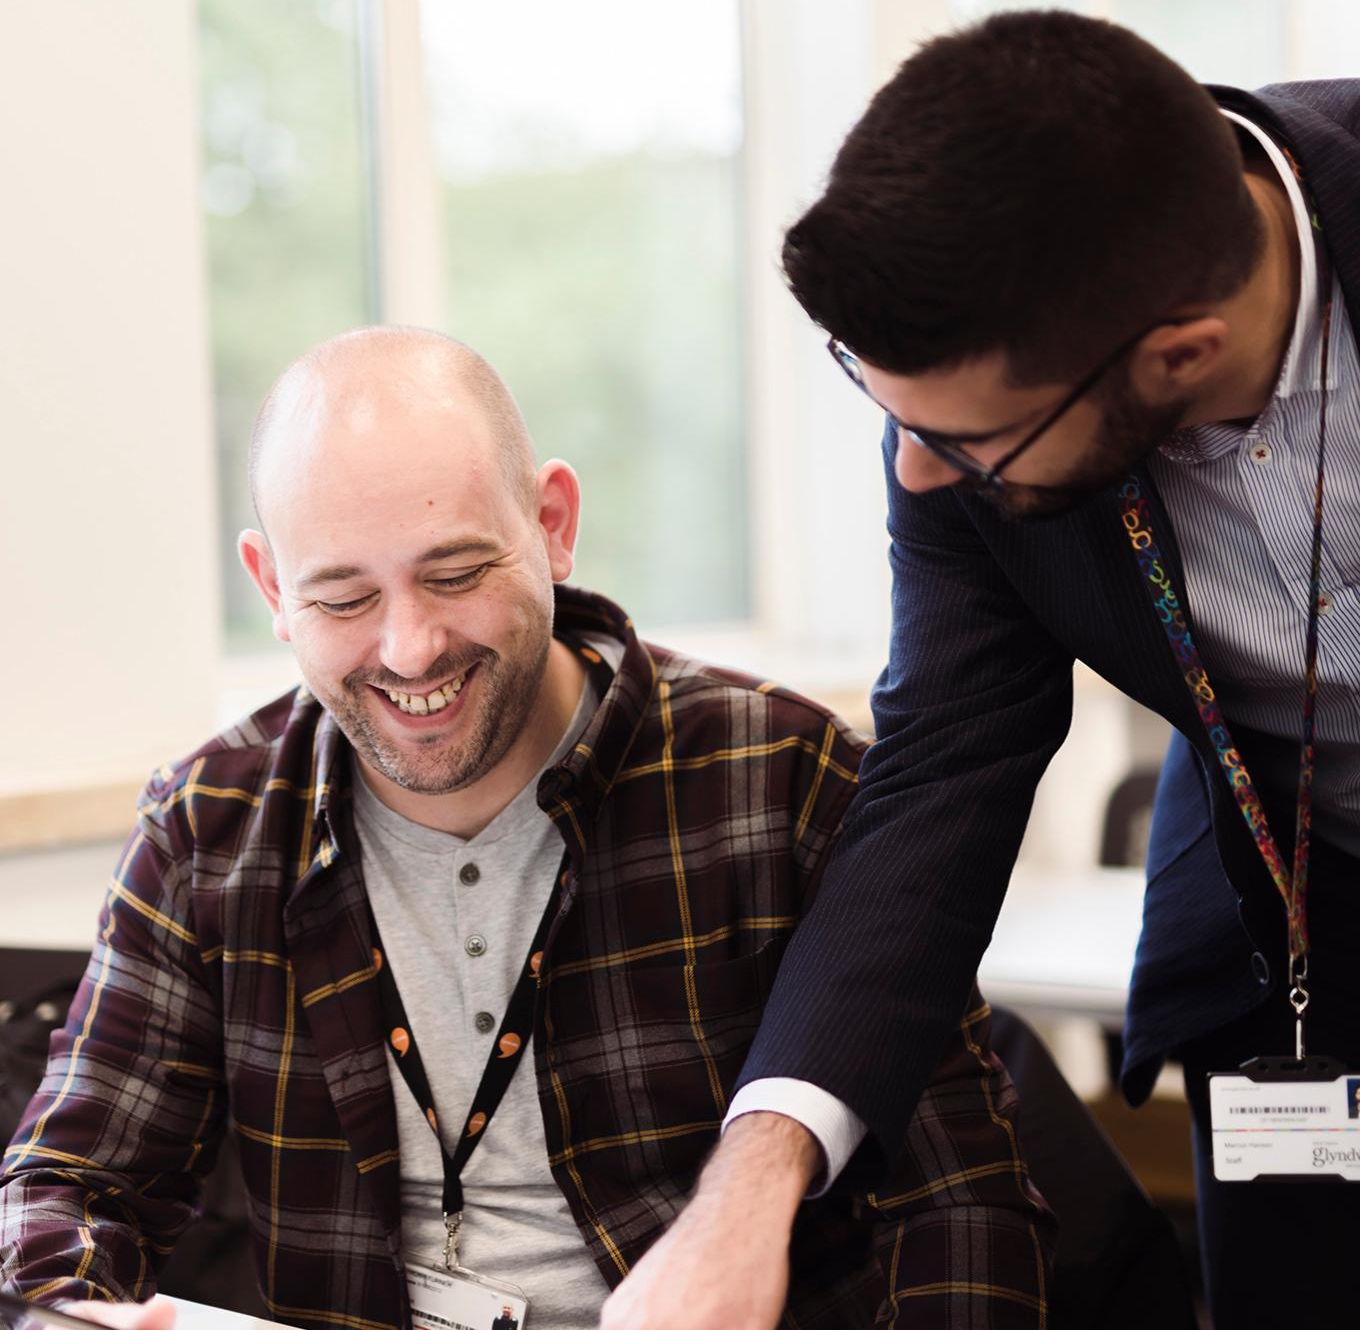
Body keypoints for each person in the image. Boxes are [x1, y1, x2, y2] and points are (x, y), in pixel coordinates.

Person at [0, 328, 1051, 1329]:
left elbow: (959, 1200)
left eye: (455, 573)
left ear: (551, 523)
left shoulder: (775, 776)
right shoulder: (209, 828)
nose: (409, 649)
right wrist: (66, 1306)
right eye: (343, 597)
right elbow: (70, 1180)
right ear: (273, 588)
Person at [605, 9, 1360, 1330]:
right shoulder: (977, 376)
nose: (910, 473)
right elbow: (941, 775)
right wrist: (752, 1187)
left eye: (962, 445)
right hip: (1287, 921)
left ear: (1178, 351)